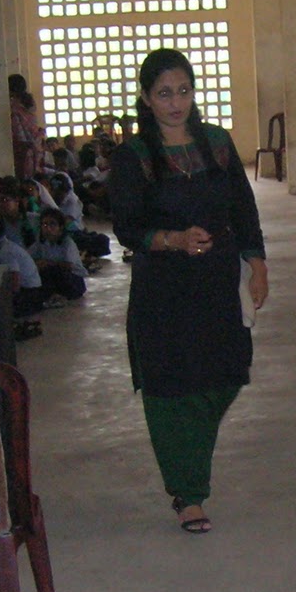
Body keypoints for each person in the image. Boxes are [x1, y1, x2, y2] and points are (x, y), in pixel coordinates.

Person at [108, 48, 269, 534]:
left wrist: (257, 264)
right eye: (164, 94)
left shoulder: (217, 143)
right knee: (171, 387)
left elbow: (243, 208)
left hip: (217, 280)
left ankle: (190, 458)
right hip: (163, 288)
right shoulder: (134, 156)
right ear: (146, 98)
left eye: (183, 91)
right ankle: (188, 492)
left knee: (225, 374)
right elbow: (126, 226)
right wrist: (173, 240)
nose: (176, 103)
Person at [28, 209, 88, 302]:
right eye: (45, 225)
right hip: (53, 278)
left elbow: (69, 265)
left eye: (52, 224)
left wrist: (48, 263)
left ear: (61, 227)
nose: (48, 229)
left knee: (53, 271)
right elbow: (28, 257)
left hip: (73, 280)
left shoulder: (67, 243)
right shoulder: (41, 243)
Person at [8, 74, 45, 181]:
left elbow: (20, 136)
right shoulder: (29, 104)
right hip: (34, 148)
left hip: (25, 151)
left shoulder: (15, 110)